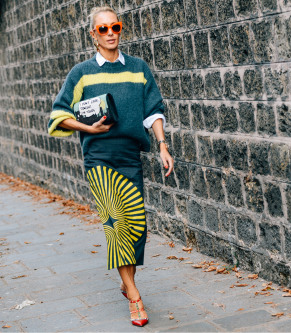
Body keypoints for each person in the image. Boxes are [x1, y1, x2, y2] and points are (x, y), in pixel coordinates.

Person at [47, 6, 174, 327]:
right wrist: (88, 129)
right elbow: (59, 113)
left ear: (120, 29)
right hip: (99, 159)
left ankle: (125, 281)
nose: (110, 33)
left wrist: (162, 144)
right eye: (102, 29)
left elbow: (153, 109)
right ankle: (134, 295)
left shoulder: (138, 69)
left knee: (135, 226)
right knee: (115, 223)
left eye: (114, 26)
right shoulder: (81, 73)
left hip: (130, 156)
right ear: (93, 34)